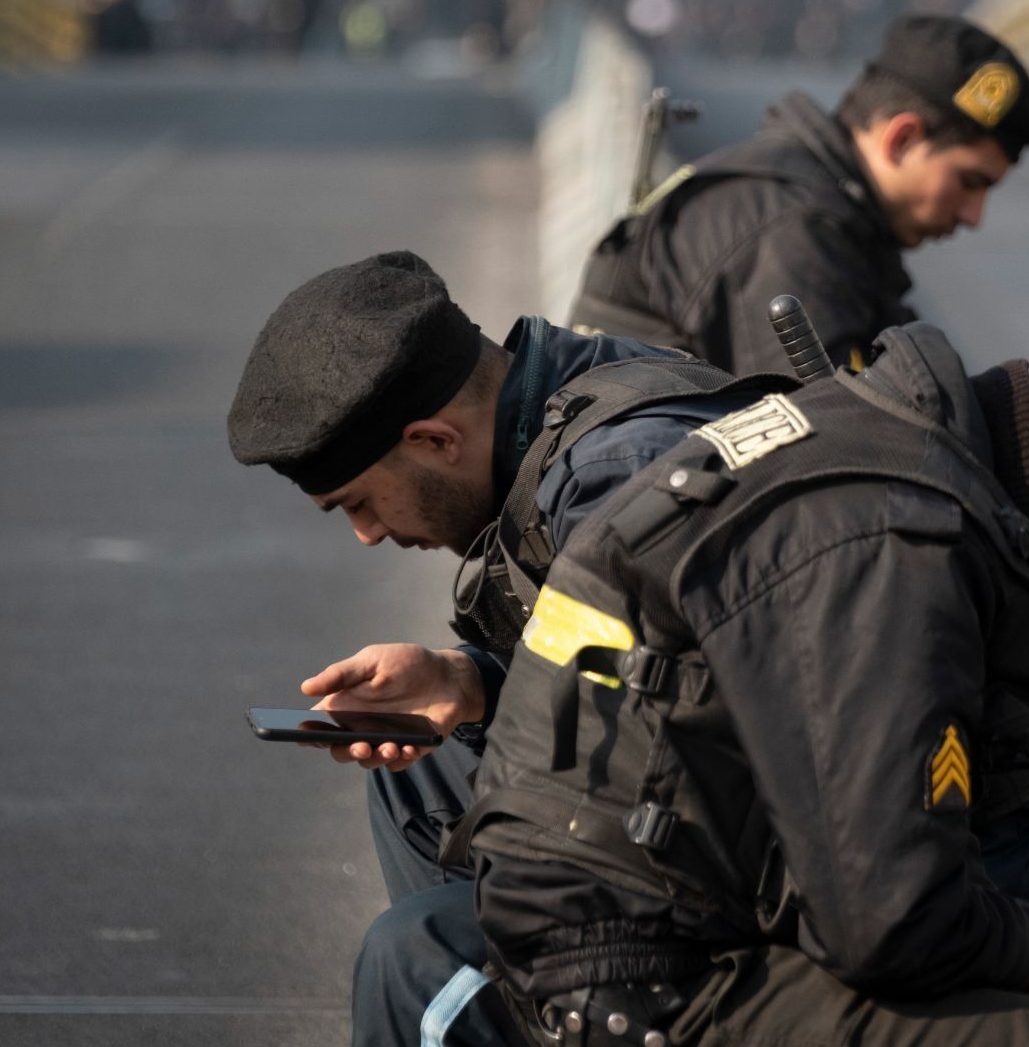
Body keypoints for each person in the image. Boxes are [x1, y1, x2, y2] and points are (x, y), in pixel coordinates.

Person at [464, 323, 1029, 1047]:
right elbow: (889, 924)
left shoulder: (887, 460)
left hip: (679, 910)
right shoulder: (900, 539)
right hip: (635, 969)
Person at [228, 250, 773, 1046]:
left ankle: (508, 997)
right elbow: (629, 673)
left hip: (762, 859)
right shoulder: (579, 390)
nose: (368, 533)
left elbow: (676, 743)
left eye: (359, 501)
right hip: (706, 792)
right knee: (423, 763)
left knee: (419, 962)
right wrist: (468, 681)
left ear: (434, 438)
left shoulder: (615, 486)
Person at [571, 14, 1029, 374]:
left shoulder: (827, 220)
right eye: (970, 182)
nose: (973, 216)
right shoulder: (791, 232)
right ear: (900, 139)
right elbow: (837, 453)